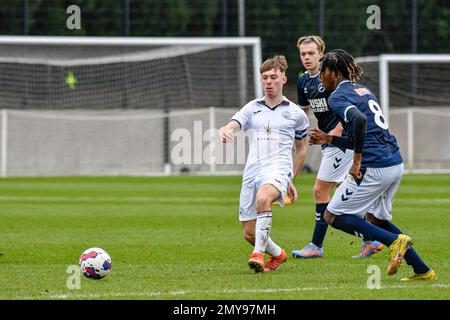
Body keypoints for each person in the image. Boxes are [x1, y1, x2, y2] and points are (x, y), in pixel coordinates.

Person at [309, 48, 437, 281]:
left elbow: (359, 120)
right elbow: (362, 131)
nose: (320, 76)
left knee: (332, 216)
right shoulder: (363, 90)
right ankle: (422, 270)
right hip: (394, 163)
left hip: (374, 165)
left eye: (323, 71)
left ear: (334, 73)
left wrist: (357, 160)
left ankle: (392, 241)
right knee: (376, 219)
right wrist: (329, 138)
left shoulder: (336, 96)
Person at [291, 35, 383, 259]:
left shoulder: (330, 78)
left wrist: (336, 132)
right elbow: (303, 113)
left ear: (321, 54)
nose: (307, 58)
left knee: (320, 191)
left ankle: (316, 246)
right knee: (347, 196)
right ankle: (372, 239)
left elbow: (347, 106)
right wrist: (294, 133)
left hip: (340, 144)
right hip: (328, 143)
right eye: (303, 54)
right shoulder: (303, 81)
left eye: (311, 53)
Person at [219, 55, 309, 273]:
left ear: (283, 79)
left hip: (278, 169)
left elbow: (302, 150)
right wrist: (226, 129)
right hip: (252, 171)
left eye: (273, 77)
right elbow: (234, 123)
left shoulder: (296, 113)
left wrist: (290, 179)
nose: (268, 81)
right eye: (265, 77)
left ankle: (258, 255)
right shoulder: (252, 107)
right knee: (249, 233)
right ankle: (278, 255)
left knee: (263, 198)